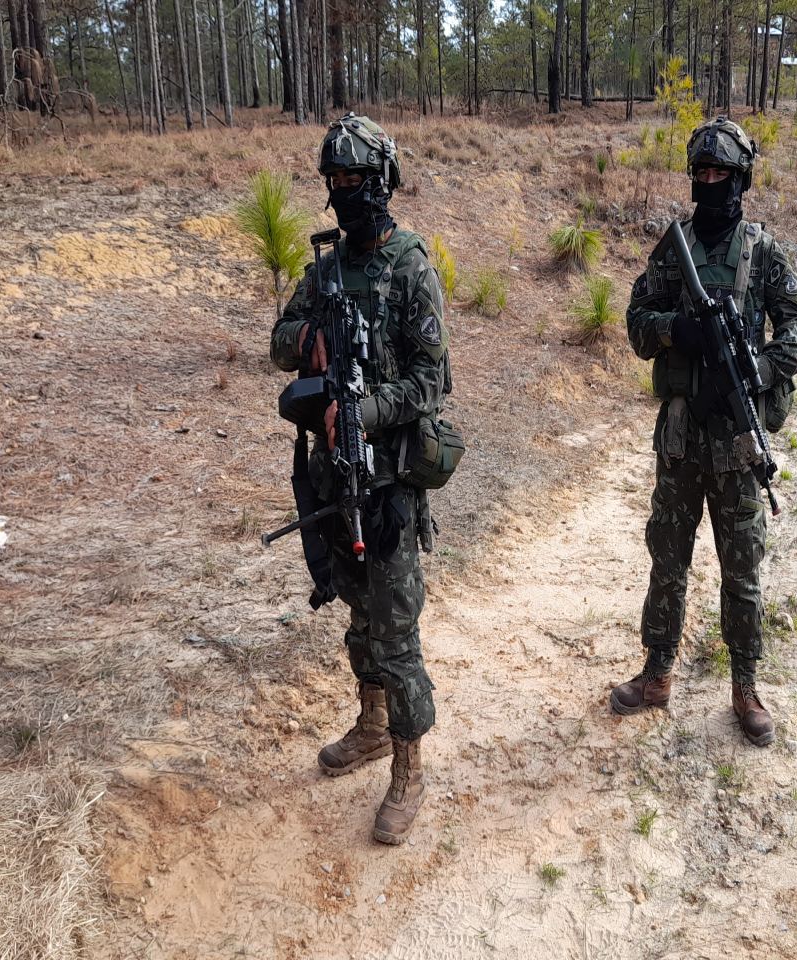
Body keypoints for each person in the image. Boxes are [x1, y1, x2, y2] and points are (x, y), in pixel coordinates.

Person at [269, 114, 450, 845]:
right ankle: (372, 726)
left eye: (356, 180)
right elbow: (280, 342)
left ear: (383, 183)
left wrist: (369, 410)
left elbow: (431, 379)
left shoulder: (410, 266)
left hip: (391, 481)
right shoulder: (323, 270)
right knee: (356, 613)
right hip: (334, 474)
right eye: (335, 181)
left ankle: (409, 767)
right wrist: (310, 341)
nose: (345, 192)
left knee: (397, 630)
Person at [610, 116, 797, 747]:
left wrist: (762, 368)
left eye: (722, 173)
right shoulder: (675, 250)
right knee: (667, 560)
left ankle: (745, 685)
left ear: (742, 178)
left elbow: (796, 325)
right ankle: (657, 672)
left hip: (738, 444)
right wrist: (678, 330)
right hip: (680, 437)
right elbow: (638, 321)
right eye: (702, 172)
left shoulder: (761, 251)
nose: (711, 182)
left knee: (741, 568)